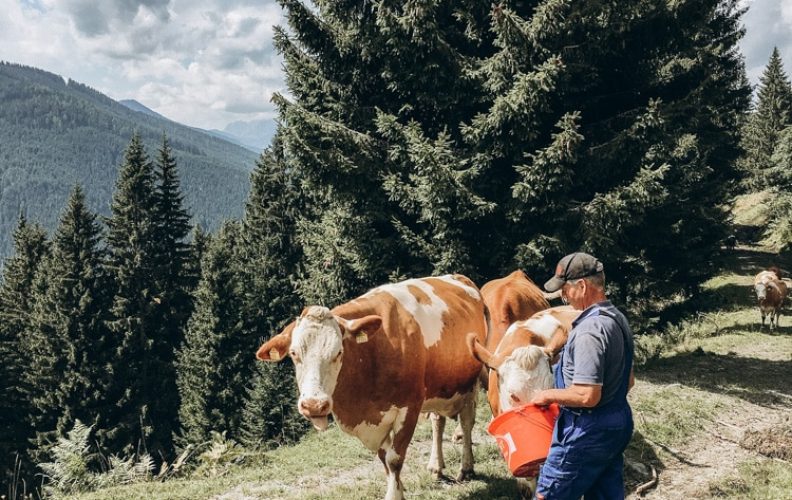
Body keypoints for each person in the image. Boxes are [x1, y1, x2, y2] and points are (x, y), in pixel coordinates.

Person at [530, 252, 635, 500]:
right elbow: (628, 381)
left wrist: (546, 395)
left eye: (565, 289)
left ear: (582, 285)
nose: (563, 296)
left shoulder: (589, 330)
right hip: (617, 421)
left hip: (586, 430)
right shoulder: (617, 318)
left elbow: (587, 395)